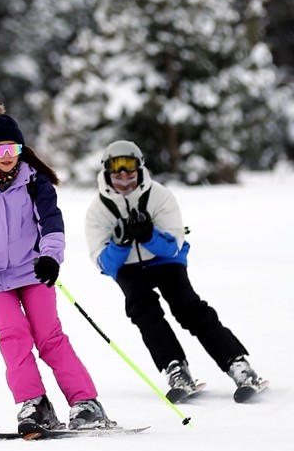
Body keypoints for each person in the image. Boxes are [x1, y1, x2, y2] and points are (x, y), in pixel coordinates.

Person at [0, 102, 116, 432]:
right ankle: (34, 404)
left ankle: (85, 403)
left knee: (49, 336)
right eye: (1, 148)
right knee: (14, 337)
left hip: (33, 271)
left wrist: (51, 257)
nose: (8, 155)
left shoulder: (35, 180)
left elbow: (51, 223)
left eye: (14, 148)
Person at [83, 139, 266, 402]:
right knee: (143, 310)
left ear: (140, 168)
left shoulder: (159, 196)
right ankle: (175, 368)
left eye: (130, 170)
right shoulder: (98, 210)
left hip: (164, 261)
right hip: (128, 267)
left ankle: (238, 364)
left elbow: (172, 246)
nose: (124, 178)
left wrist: (148, 236)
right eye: (117, 171)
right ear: (107, 172)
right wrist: (121, 243)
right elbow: (104, 263)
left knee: (187, 308)